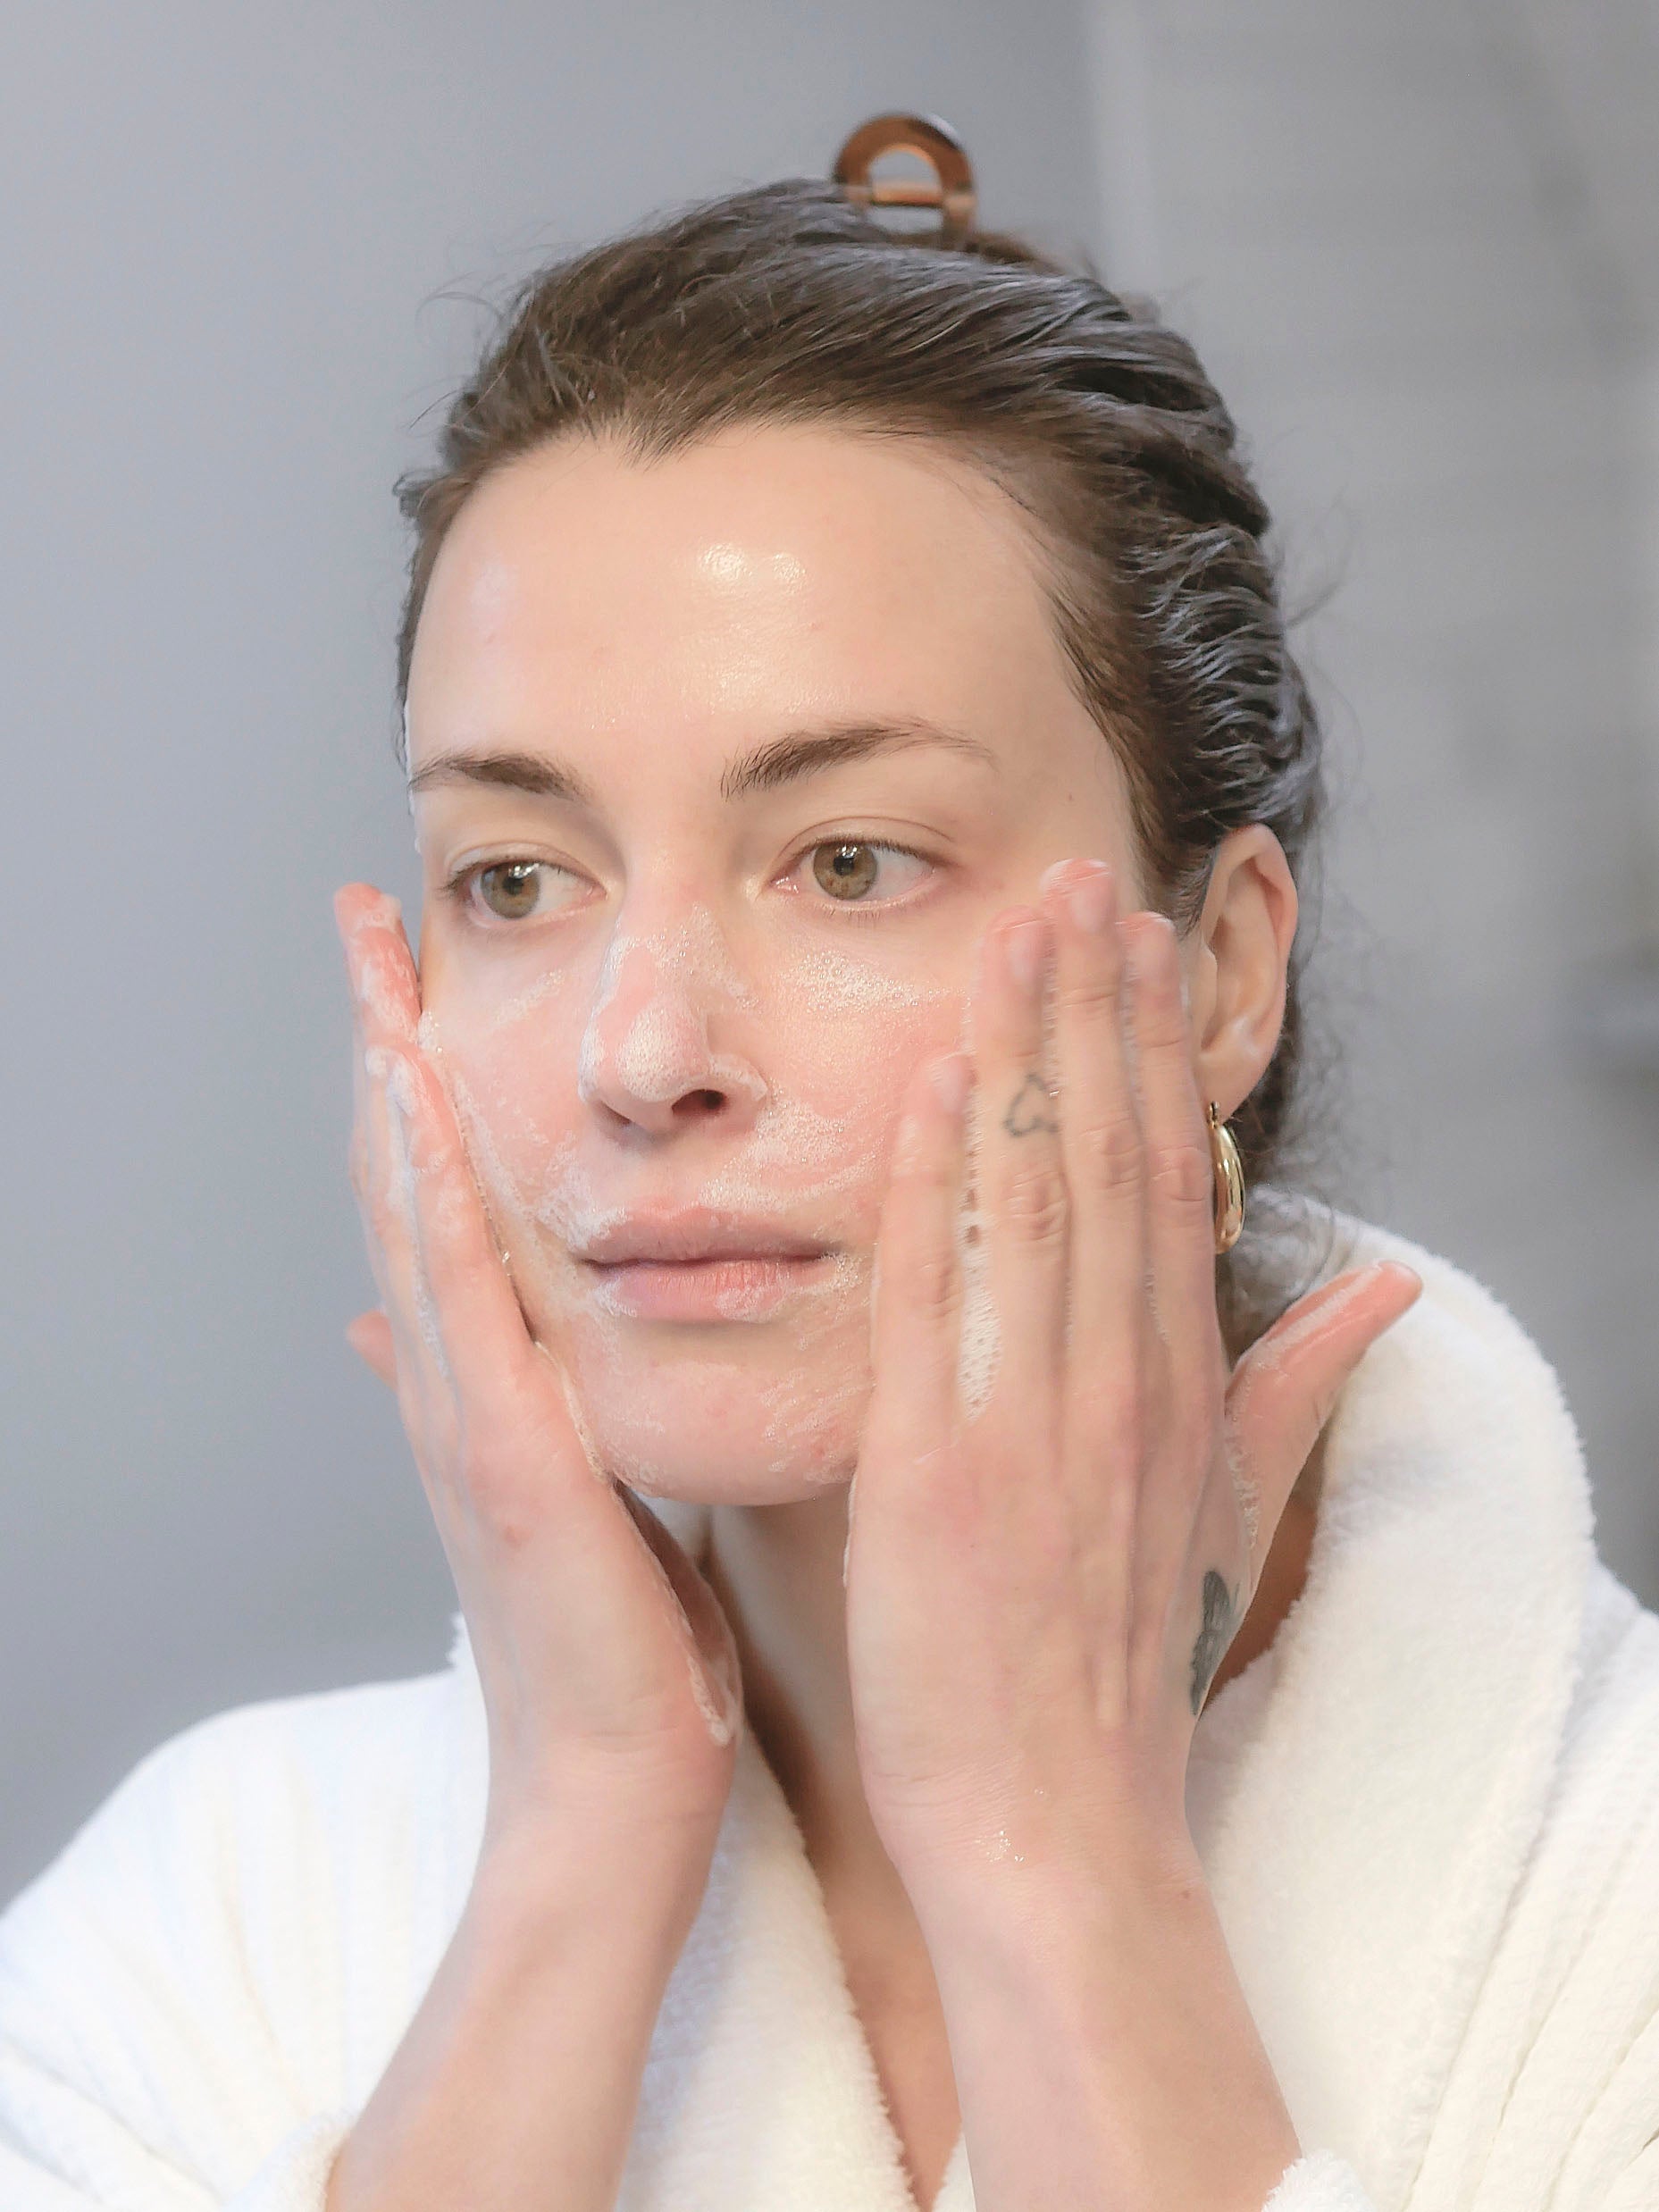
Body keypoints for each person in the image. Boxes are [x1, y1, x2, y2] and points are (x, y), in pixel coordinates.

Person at [2, 114, 1656, 2212]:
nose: (641, 1049)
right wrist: (580, 1845)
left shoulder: (1613, 1914)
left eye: (848, 859)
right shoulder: (198, 1935)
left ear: (1218, 968)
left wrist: (1062, 1876)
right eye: (515, 876)